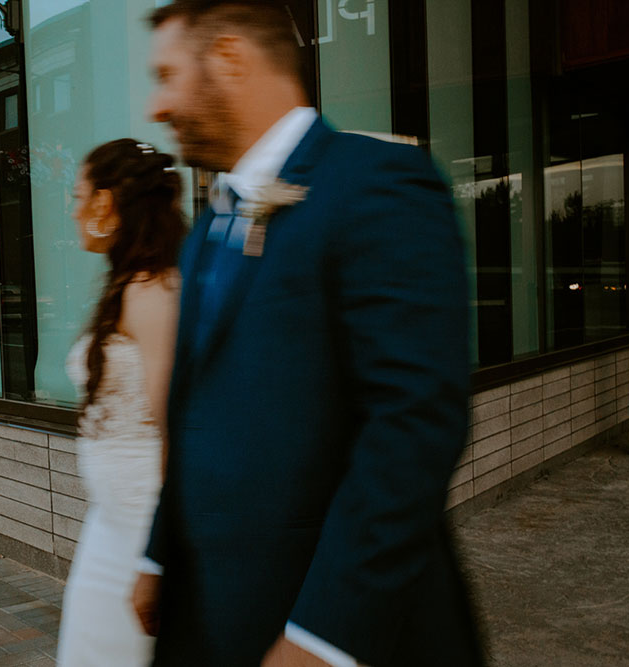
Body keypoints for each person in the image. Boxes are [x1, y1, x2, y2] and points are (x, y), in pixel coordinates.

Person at [131, 1, 484, 665]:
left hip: (328, 625)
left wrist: (324, 634)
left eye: (168, 74)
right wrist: (158, 552)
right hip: (204, 618)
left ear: (231, 58)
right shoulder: (210, 224)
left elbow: (412, 424)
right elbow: (193, 408)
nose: (157, 105)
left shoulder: (378, 184)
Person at [57, 138, 186, 666]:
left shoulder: (152, 290)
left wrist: (156, 561)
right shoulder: (127, 283)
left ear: (104, 204)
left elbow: (175, 425)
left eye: (77, 194)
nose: (73, 209)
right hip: (109, 521)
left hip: (141, 525)